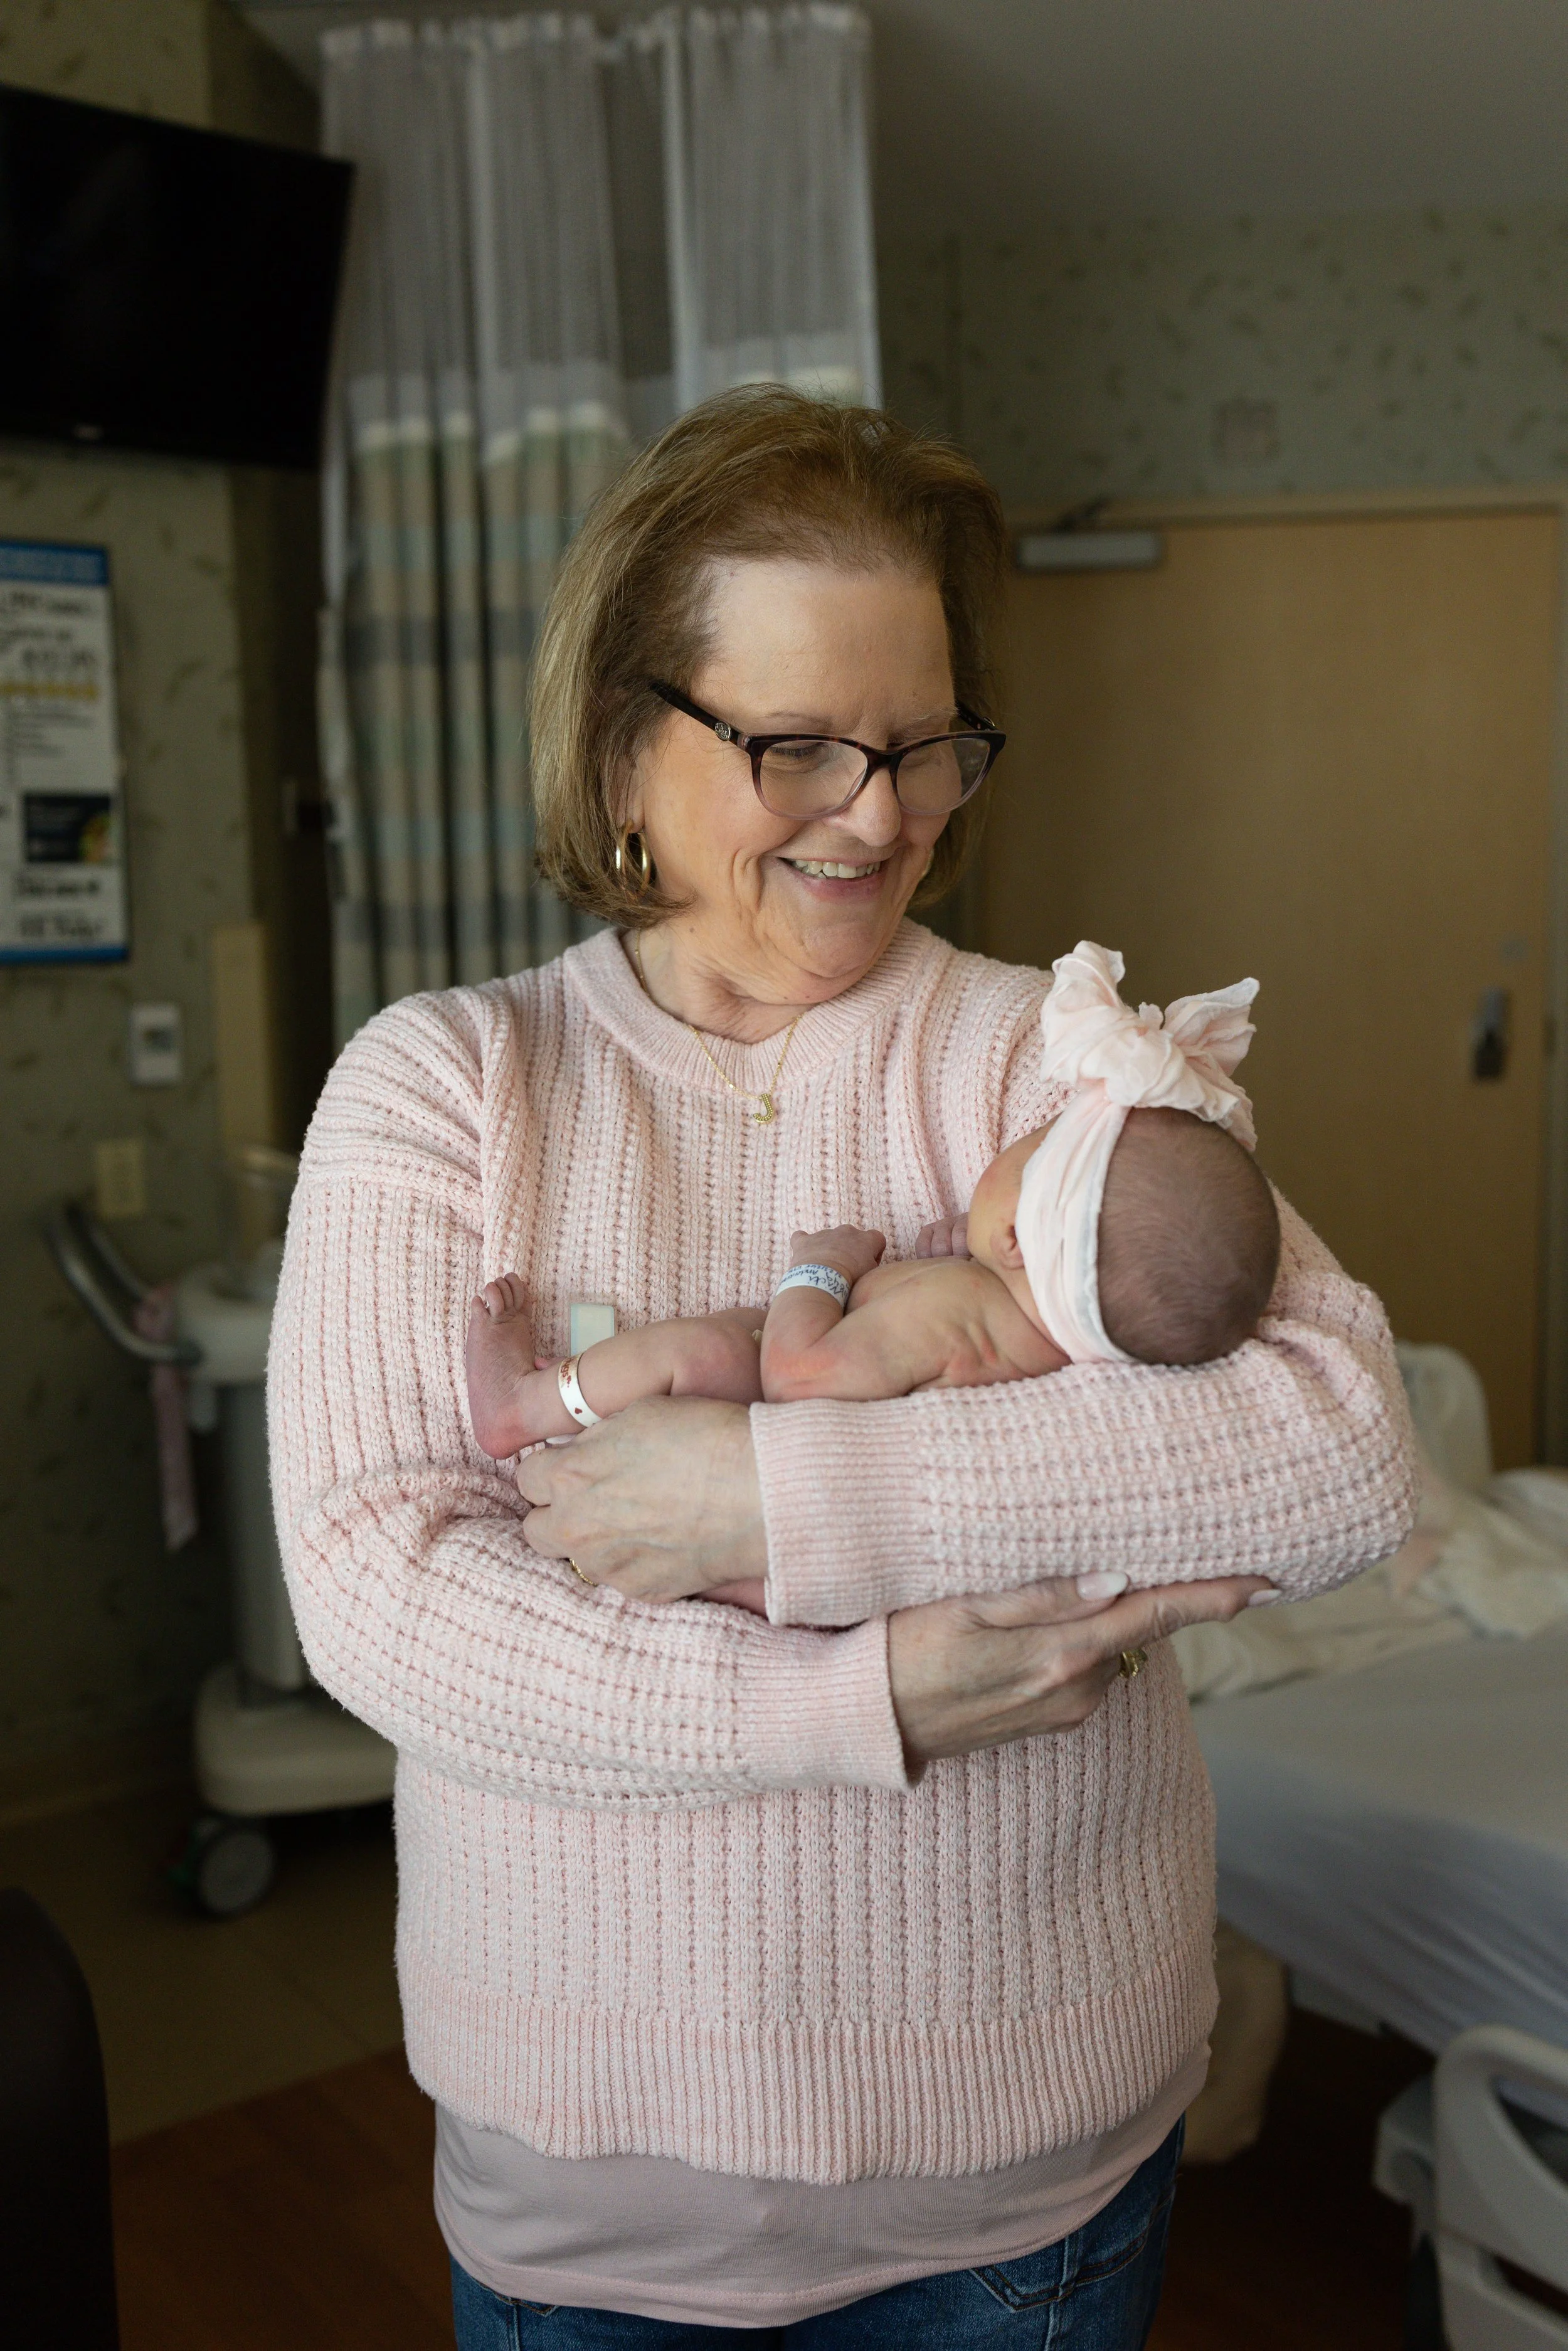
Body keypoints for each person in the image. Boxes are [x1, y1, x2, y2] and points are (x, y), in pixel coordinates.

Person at [268, 387, 1416, 2350]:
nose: (880, 816)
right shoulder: (448, 1084)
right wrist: (854, 1698)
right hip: (594, 2186)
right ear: (621, 746)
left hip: (1027, 2187)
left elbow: (1334, 1444)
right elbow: (383, 1598)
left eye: (920, 744)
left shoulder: (1049, 1056)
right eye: (796, 744)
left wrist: (779, 1499)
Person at [462, 942, 1281, 1475]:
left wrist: (822, 1270)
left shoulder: (960, 1312)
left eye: (1027, 1151)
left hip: (763, 1438)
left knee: (710, 1348)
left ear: (1017, 1236)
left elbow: (801, 1376)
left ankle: (524, 1407)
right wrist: (956, 1257)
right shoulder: (1034, 1333)